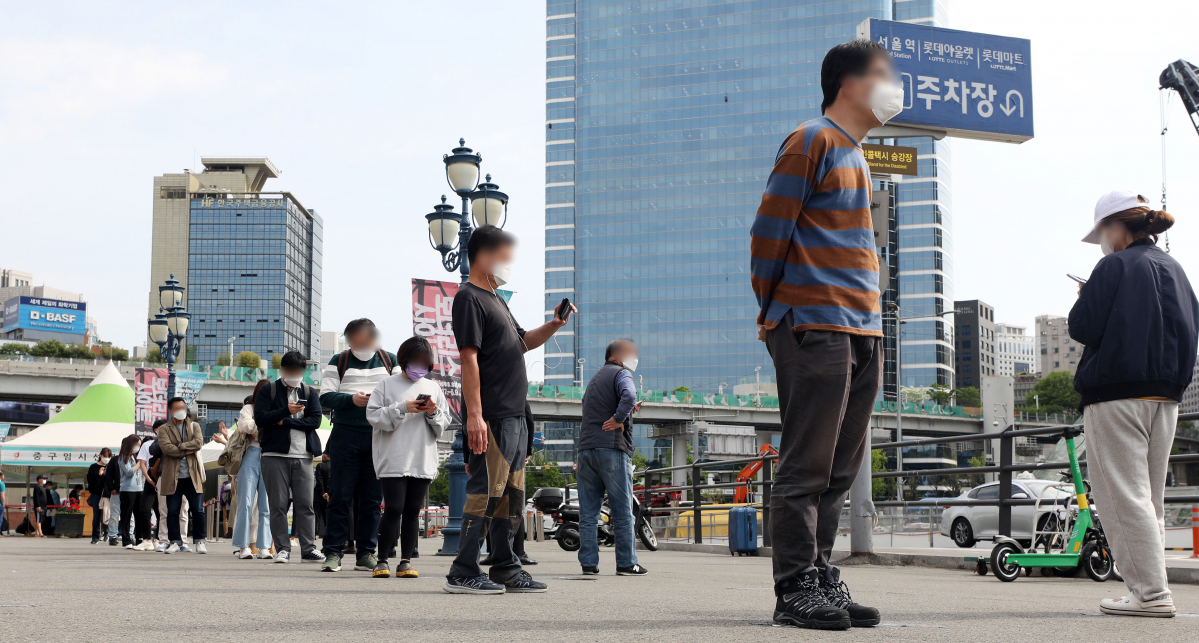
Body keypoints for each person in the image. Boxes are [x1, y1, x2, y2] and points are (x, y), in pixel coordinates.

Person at [749, 39, 898, 630]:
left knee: (839, 469)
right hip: (814, 322)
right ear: (852, 84)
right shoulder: (812, 139)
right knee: (806, 464)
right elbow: (767, 234)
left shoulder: (856, 153)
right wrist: (773, 313)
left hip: (862, 328)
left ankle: (819, 575)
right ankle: (793, 589)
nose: (894, 90)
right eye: (886, 77)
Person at [1070, 191, 1198, 618]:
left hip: (1116, 393)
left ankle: (1150, 594)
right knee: (1148, 499)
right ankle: (1150, 587)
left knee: (1122, 495)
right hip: (1166, 395)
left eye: (1103, 231)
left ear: (1117, 227)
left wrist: (1086, 296)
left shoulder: (1113, 265)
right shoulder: (1175, 268)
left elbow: (1083, 327)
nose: (1102, 241)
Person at [444, 225, 573, 595]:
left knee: (510, 496)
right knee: (486, 491)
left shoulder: (497, 299)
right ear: (483, 255)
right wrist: (474, 414)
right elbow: (468, 360)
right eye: (503, 256)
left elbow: (521, 344)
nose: (507, 263)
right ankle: (462, 570)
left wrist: (554, 323)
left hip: (515, 415)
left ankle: (505, 567)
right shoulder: (469, 298)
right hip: (494, 414)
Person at [365, 336, 451, 579]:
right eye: (415, 361)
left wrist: (432, 412)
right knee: (392, 508)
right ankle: (381, 560)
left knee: (413, 511)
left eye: (424, 363)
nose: (419, 367)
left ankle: (406, 561)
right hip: (393, 457)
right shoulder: (386, 384)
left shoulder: (434, 387)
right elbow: (373, 416)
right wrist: (402, 407)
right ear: (404, 360)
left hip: (422, 458)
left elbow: (444, 423)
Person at [319, 319, 398, 573]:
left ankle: (366, 552)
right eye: (357, 338)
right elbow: (325, 396)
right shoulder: (338, 360)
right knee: (340, 496)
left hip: (379, 435)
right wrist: (351, 399)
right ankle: (333, 552)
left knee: (372, 499)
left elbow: (399, 394)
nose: (363, 342)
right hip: (345, 435)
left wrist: (377, 400)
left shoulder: (390, 360)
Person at [577, 339, 647, 576]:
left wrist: (624, 412)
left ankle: (588, 564)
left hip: (586, 450)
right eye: (631, 352)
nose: (634, 357)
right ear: (616, 355)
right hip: (612, 450)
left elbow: (590, 406)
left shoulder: (595, 379)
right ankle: (627, 563)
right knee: (622, 510)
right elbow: (628, 395)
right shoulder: (622, 374)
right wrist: (619, 418)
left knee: (588, 512)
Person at [256, 350, 325, 564]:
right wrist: (285, 410)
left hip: (303, 455)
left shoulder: (310, 391)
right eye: (291, 370)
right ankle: (283, 548)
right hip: (274, 455)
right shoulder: (269, 389)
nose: (295, 373)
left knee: (306, 504)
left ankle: (308, 548)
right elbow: (261, 418)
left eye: (299, 370)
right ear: (282, 370)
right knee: (278, 504)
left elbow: (315, 420)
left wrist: (284, 421)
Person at [158, 398, 207, 554]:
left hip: (193, 476)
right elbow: (167, 449)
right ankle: (174, 541)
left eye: (183, 407)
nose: (181, 410)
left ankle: (200, 541)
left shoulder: (194, 426)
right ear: (170, 411)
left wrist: (179, 446)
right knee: (173, 511)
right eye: (177, 407)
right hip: (173, 477)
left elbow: (199, 443)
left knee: (197, 510)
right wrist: (187, 450)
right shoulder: (164, 429)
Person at [234, 383, 274, 560]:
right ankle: (243, 546)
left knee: (267, 506)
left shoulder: (277, 408)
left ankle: (264, 546)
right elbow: (245, 426)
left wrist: (262, 427)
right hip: (250, 454)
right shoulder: (249, 408)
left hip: (270, 456)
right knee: (246, 503)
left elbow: (254, 427)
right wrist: (269, 426)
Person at [116, 434, 144, 548]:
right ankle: (126, 540)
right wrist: (139, 462)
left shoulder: (134, 456)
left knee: (139, 515)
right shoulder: (123, 456)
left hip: (139, 488)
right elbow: (129, 472)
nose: (138, 447)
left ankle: (139, 539)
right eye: (137, 445)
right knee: (126, 515)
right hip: (127, 490)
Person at [133, 434, 159, 551]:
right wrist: (148, 478)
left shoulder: (170, 442)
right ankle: (147, 540)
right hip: (151, 477)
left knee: (162, 512)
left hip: (164, 478)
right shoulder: (147, 445)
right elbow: (142, 463)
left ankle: (159, 539)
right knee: (145, 510)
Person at [86, 450, 111, 543]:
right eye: (105, 456)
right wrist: (99, 475)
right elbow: (90, 481)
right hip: (96, 494)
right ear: (100, 455)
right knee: (97, 515)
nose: (106, 458)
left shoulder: (111, 466)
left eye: (109, 457)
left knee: (108, 515)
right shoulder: (93, 467)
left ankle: (108, 534)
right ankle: (95, 537)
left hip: (108, 494)